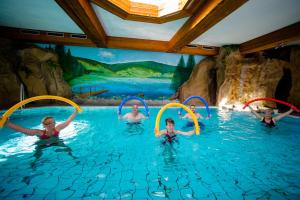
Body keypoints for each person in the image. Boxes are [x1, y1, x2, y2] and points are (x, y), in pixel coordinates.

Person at [3, 109, 78, 138]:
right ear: (45, 125)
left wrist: (76, 111)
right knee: (37, 156)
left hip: (56, 142)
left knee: (68, 150)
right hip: (42, 144)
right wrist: (6, 122)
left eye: (54, 122)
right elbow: (22, 130)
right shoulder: (39, 132)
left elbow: (68, 120)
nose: (54, 124)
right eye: (51, 123)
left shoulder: (57, 128)